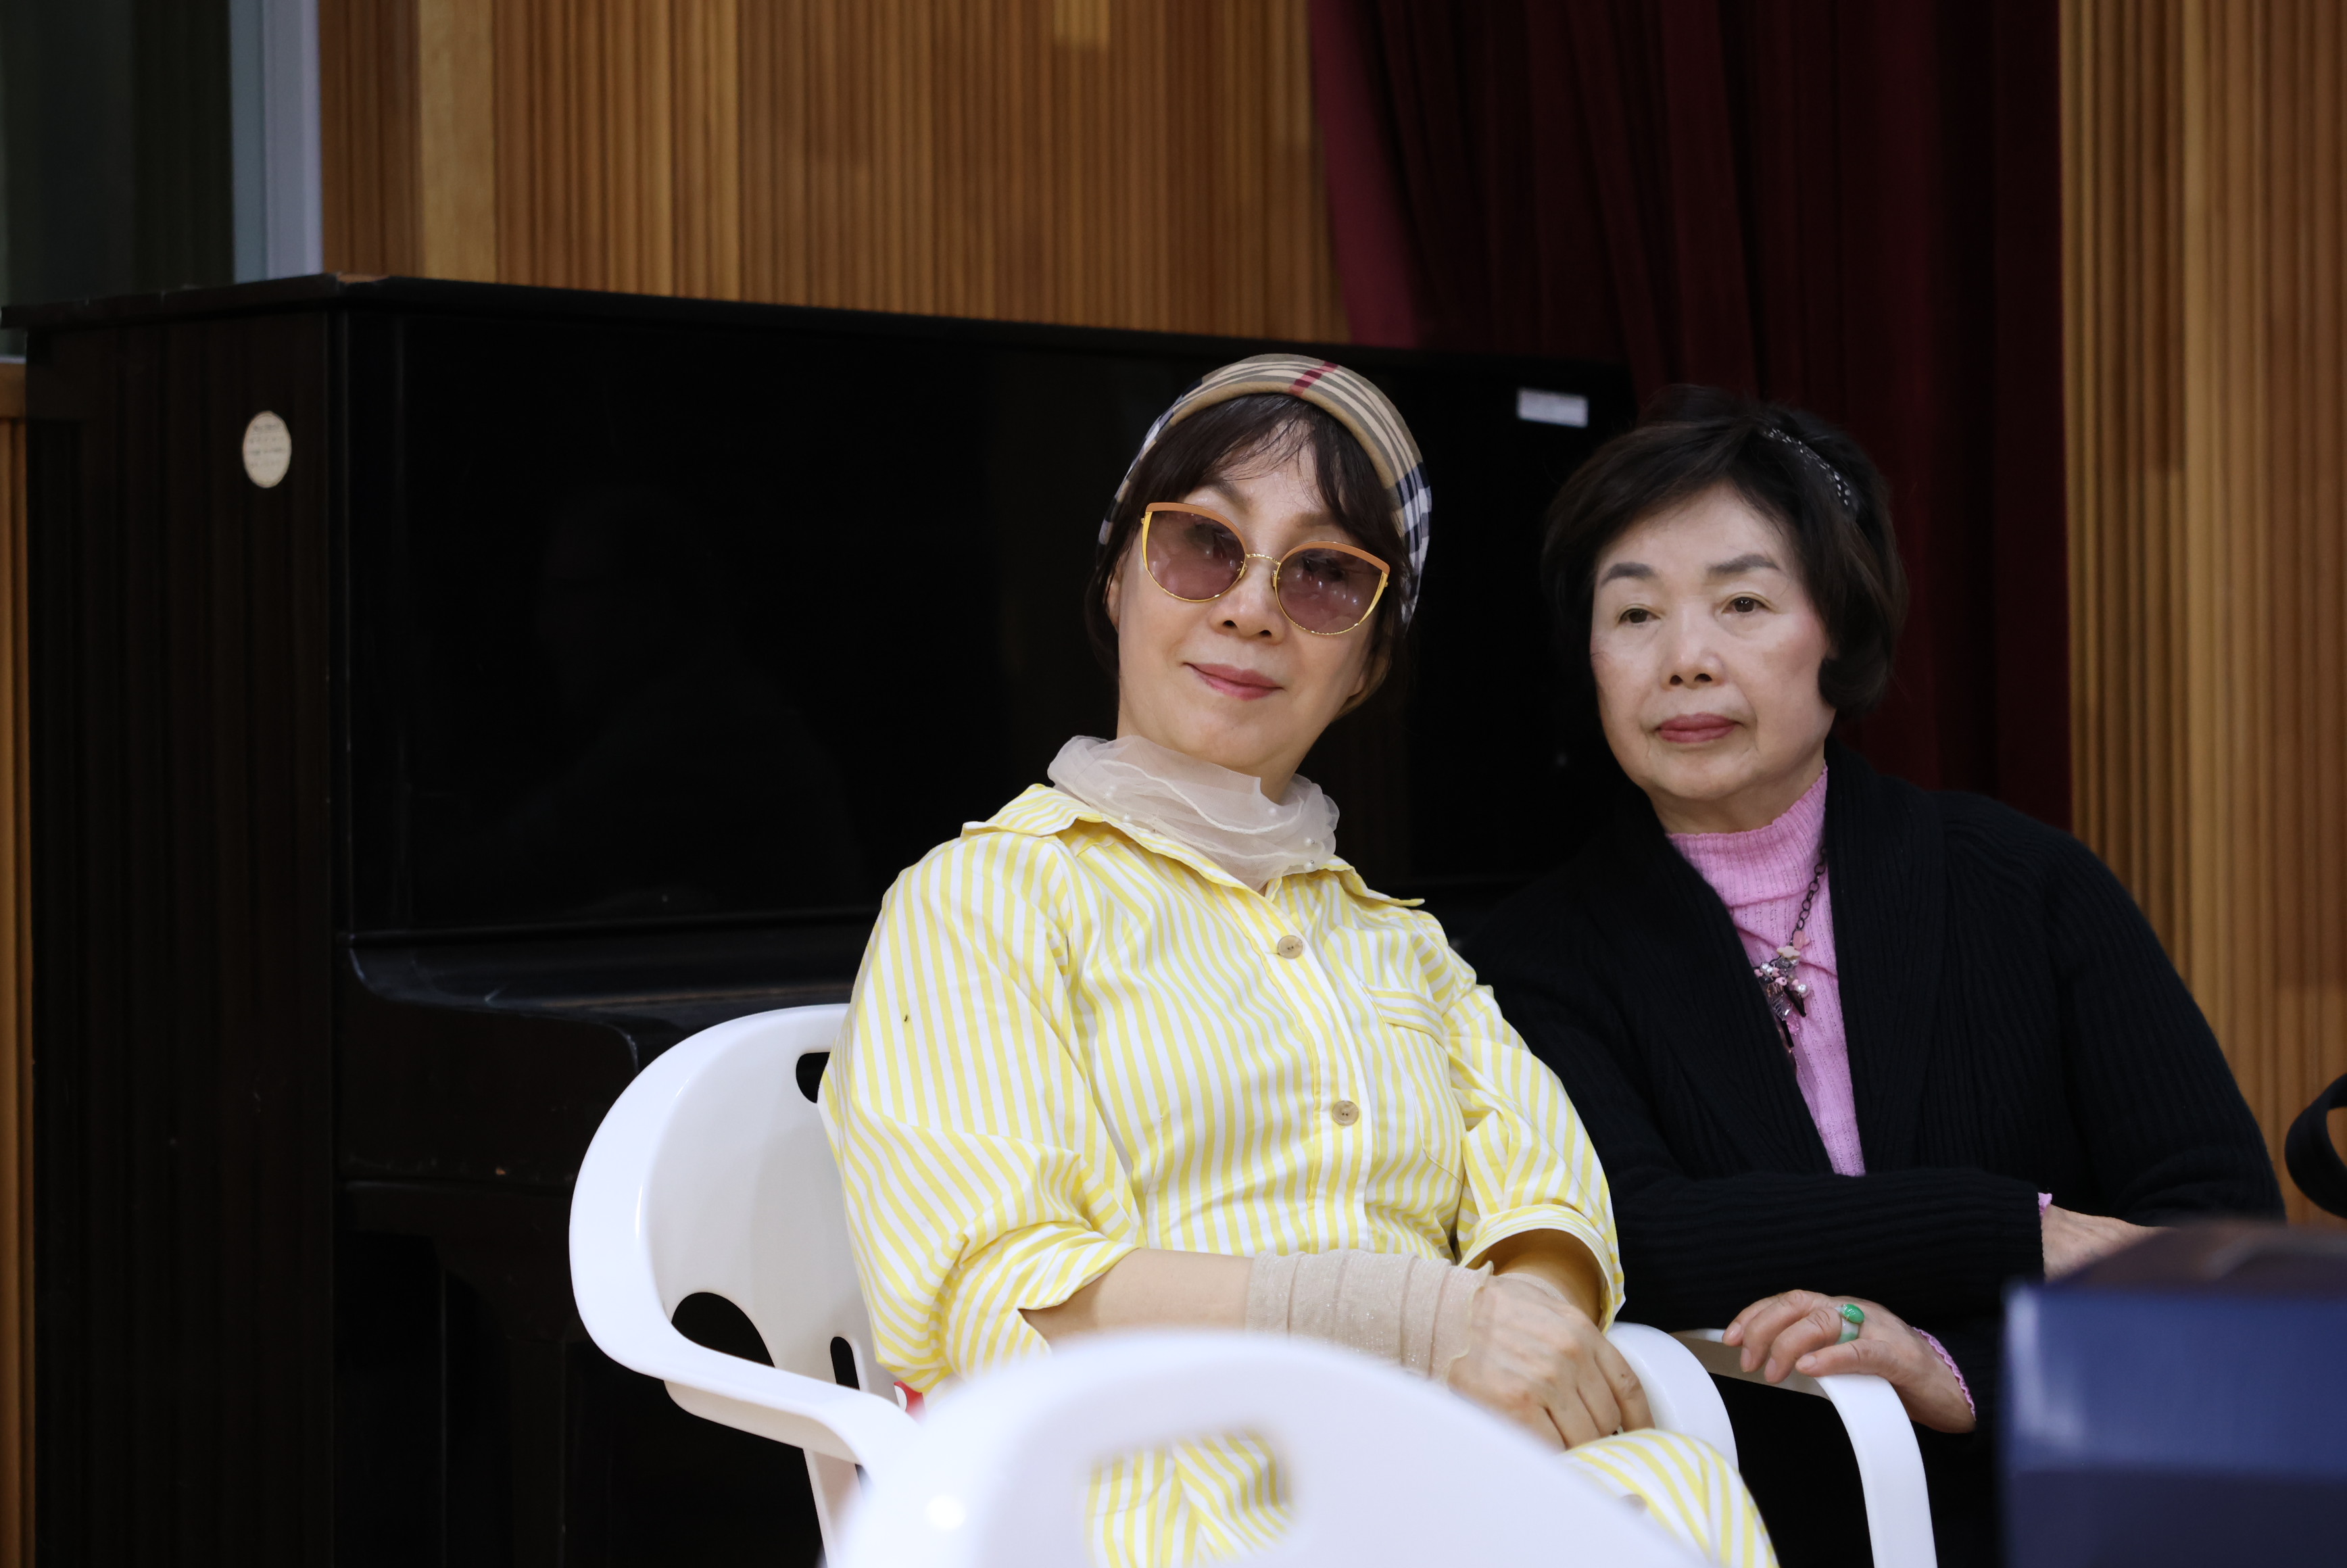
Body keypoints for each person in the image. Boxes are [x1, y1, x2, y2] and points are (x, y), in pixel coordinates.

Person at [822, 358, 1776, 1568]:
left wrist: (1525, 1333)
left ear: (1369, 661)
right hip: (1148, 1491)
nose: (1251, 608)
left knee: (1671, 1491)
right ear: (1118, 576)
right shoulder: (982, 901)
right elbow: (989, 1281)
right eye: (1203, 545)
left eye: (1324, 575)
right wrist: (1412, 1315)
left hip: (1430, 1466)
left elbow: (1546, 1191)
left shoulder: (1399, 943)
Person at [1470, 387, 2284, 1566]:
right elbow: (1639, 1235)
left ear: (1839, 634)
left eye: (1744, 603)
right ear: (1588, 656)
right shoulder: (1530, 955)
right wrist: (2015, 1230)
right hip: (1756, 1520)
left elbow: (2219, 1243)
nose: (1686, 661)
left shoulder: (2026, 883)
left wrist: (1953, 1371)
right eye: (1634, 613)